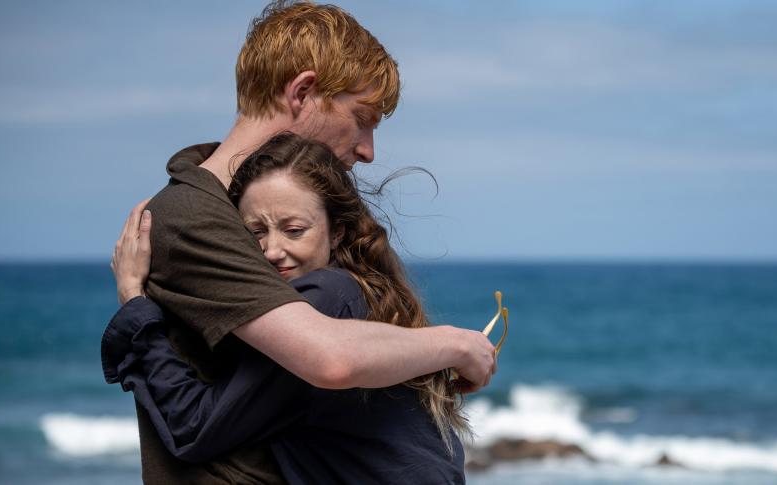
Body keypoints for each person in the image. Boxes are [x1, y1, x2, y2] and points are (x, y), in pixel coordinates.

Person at [107, 2, 495, 482]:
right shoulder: (193, 217)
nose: (368, 150)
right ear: (303, 92)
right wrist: (454, 344)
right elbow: (328, 358)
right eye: (363, 117)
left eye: (292, 230)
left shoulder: (283, 202)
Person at [104, 133, 467, 484]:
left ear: (336, 233)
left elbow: (195, 427)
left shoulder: (327, 296)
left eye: (294, 230)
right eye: (255, 232)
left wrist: (135, 301)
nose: (273, 250)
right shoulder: (366, 297)